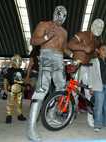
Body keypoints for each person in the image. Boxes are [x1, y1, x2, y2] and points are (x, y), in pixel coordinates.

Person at [27, 5, 68, 141]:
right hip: (46, 55)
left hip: (59, 59)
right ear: (54, 13)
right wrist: (46, 37)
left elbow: (64, 48)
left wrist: (73, 54)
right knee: (41, 89)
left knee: (62, 89)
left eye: (64, 15)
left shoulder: (64, 32)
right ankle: (31, 128)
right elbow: (33, 41)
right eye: (59, 13)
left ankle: (51, 114)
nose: (61, 16)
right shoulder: (44, 24)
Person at [67, 18, 104, 127]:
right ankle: (70, 115)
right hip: (77, 65)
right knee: (74, 92)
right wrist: (84, 47)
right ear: (92, 25)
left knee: (89, 93)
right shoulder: (82, 34)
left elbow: (93, 55)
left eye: (101, 26)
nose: (99, 27)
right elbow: (70, 44)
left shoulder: (97, 41)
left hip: (89, 67)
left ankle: (90, 118)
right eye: (97, 25)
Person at [89, 44, 106, 132]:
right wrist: (91, 87)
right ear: (98, 51)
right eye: (103, 49)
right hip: (98, 86)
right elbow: (91, 74)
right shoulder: (94, 61)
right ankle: (97, 124)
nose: (105, 51)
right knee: (98, 106)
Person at [4, 54, 27, 123]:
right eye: (17, 60)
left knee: (19, 103)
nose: (18, 62)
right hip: (11, 89)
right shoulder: (9, 70)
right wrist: (5, 89)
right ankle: (9, 116)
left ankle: (20, 115)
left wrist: (24, 87)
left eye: (19, 60)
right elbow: (5, 80)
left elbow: (23, 80)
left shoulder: (22, 71)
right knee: (10, 103)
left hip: (19, 90)